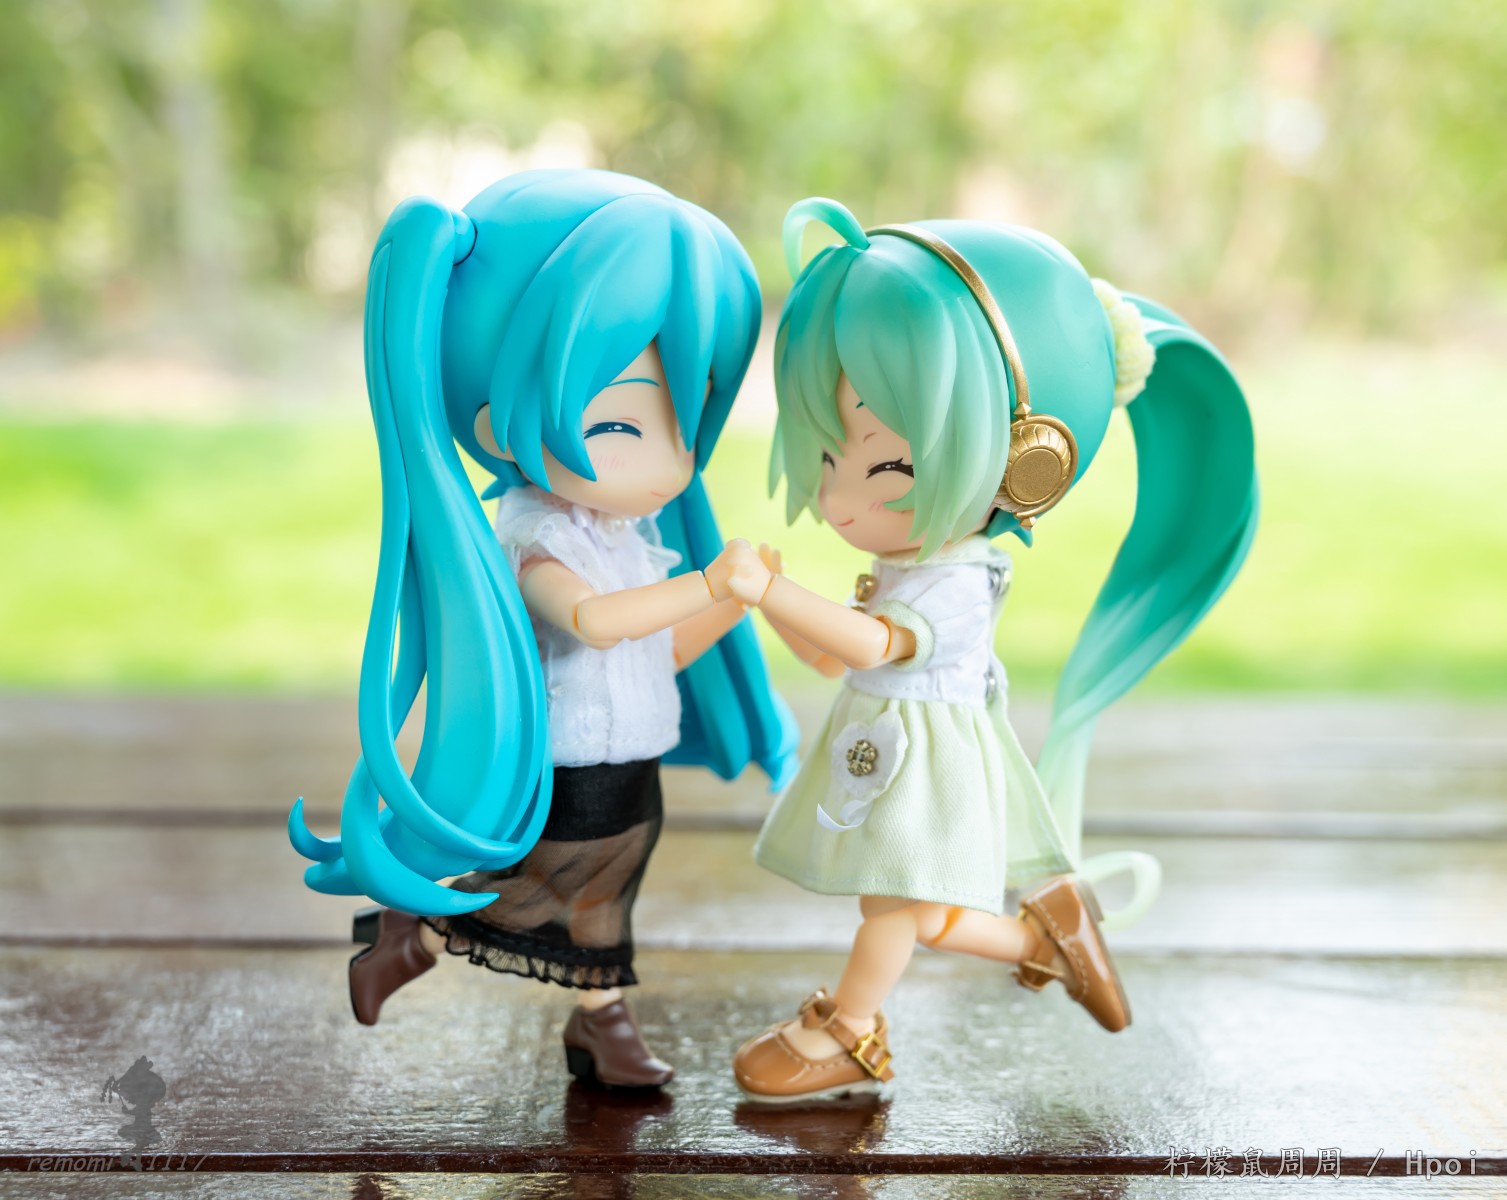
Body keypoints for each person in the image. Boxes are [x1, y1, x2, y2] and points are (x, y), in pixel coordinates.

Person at [720, 197, 1258, 1102]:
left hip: (927, 765)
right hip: (888, 751)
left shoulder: (959, 580)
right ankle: (1048, 941)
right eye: (829, 460)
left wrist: (772, 592)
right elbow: (835, 660)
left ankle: (852, 1028)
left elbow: (877, 643)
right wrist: (769, 607)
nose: (840, 501)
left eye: (888, 471)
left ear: (1025, 466)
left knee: (893, 908)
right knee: (926, 915)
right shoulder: (904, 564)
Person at [287, 169, 794, 1089]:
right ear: (496, 420)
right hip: (569, 765)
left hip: (630, 759)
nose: (667, 462)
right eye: (621, 423)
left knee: (598, 897)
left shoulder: (632, 535)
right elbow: (596, 622)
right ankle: (431, 943)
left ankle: (583, 1018)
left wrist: (732, 603)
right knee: (548, 895)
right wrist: (707, 584)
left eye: (688, 419)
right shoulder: (536, 537)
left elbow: (656, 649)